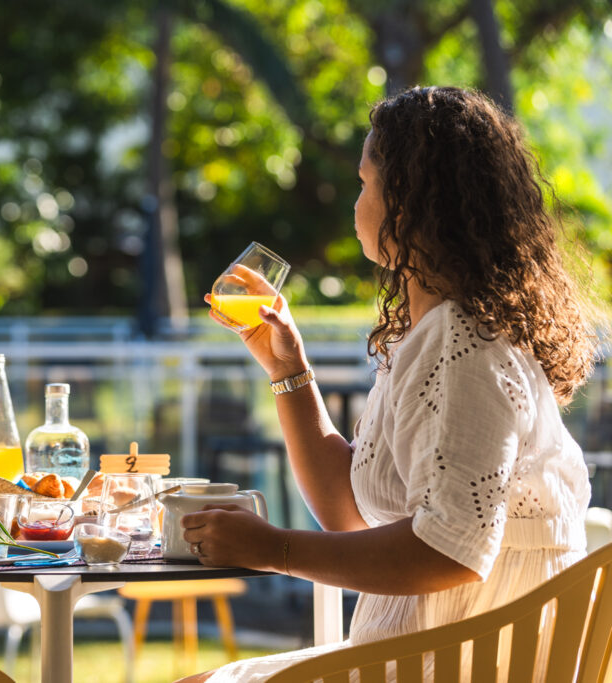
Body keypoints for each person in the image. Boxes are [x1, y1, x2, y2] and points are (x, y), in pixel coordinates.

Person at [179, 86, 602, 682]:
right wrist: (288, 371)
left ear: (412, 203)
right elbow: (349, 513)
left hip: (455, 666)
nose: (356, 202)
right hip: (420, 657)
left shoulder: (465, 345)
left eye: (364, 183)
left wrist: (272, 548)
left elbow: (450, 548)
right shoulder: (434, 334)